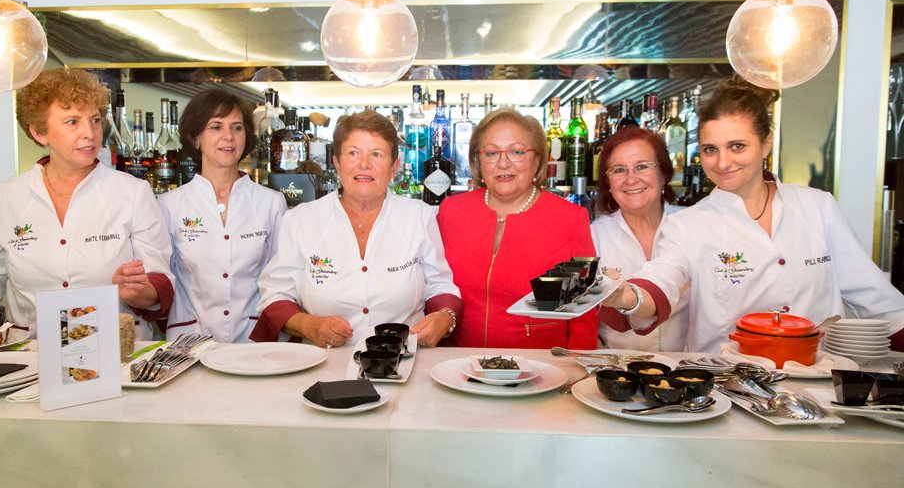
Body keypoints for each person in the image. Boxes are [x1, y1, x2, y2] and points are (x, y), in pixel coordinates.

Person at [602, 78, 904, 352]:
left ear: (766, 144)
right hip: (729, 389)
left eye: (737, 146)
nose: (722, 162)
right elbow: (661, 281)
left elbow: (877, 301)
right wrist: (625, 297)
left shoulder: (817, 207)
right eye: (710, 149)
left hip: (817, 387)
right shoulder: (689, 224)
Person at [0, 69, 173, 337]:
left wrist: (139, 293)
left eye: (94, 120)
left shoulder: (133, 192)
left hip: (115, 350)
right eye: (72, 122)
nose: (89, 133)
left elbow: (160, 281)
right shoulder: (9, 195)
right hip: (32, 354)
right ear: (39, 133)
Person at [251, 109, 461, 348]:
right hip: (324, 363)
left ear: (394, 167)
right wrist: (309, 326)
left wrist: (445, 317)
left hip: (405, 361)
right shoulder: (301, 220)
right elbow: (275, 294)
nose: (364, 164)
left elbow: (441, 286)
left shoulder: (419, 216)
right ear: (337, 164)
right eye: (353, 153)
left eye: (376, 154)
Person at [437, 108, 598, 349]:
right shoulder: (452, 211)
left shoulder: (569, 219)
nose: (503, 163)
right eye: (491, 153)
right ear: (478, 161)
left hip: (540, 370)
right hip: (455, 366)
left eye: (517, 151)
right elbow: (432, 285)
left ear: (538, 160)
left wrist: (577, 370)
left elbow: (583, 309)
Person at [158, 89, 285, 342]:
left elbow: (279, 282)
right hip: (189, 343)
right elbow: (163, 281)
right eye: (216, 127)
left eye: (237, 128)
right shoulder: (169, 205)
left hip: (253, 341)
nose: (228, 136)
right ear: (196, 139)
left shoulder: (271, 202)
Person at [590, 127, 690, 351]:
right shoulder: (595, 234)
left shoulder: (693, 226)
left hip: (687, 370)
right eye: (619, 170)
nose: (631, 179)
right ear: (608, 182)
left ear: (664, 173)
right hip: (618, 370)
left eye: (642, 166)